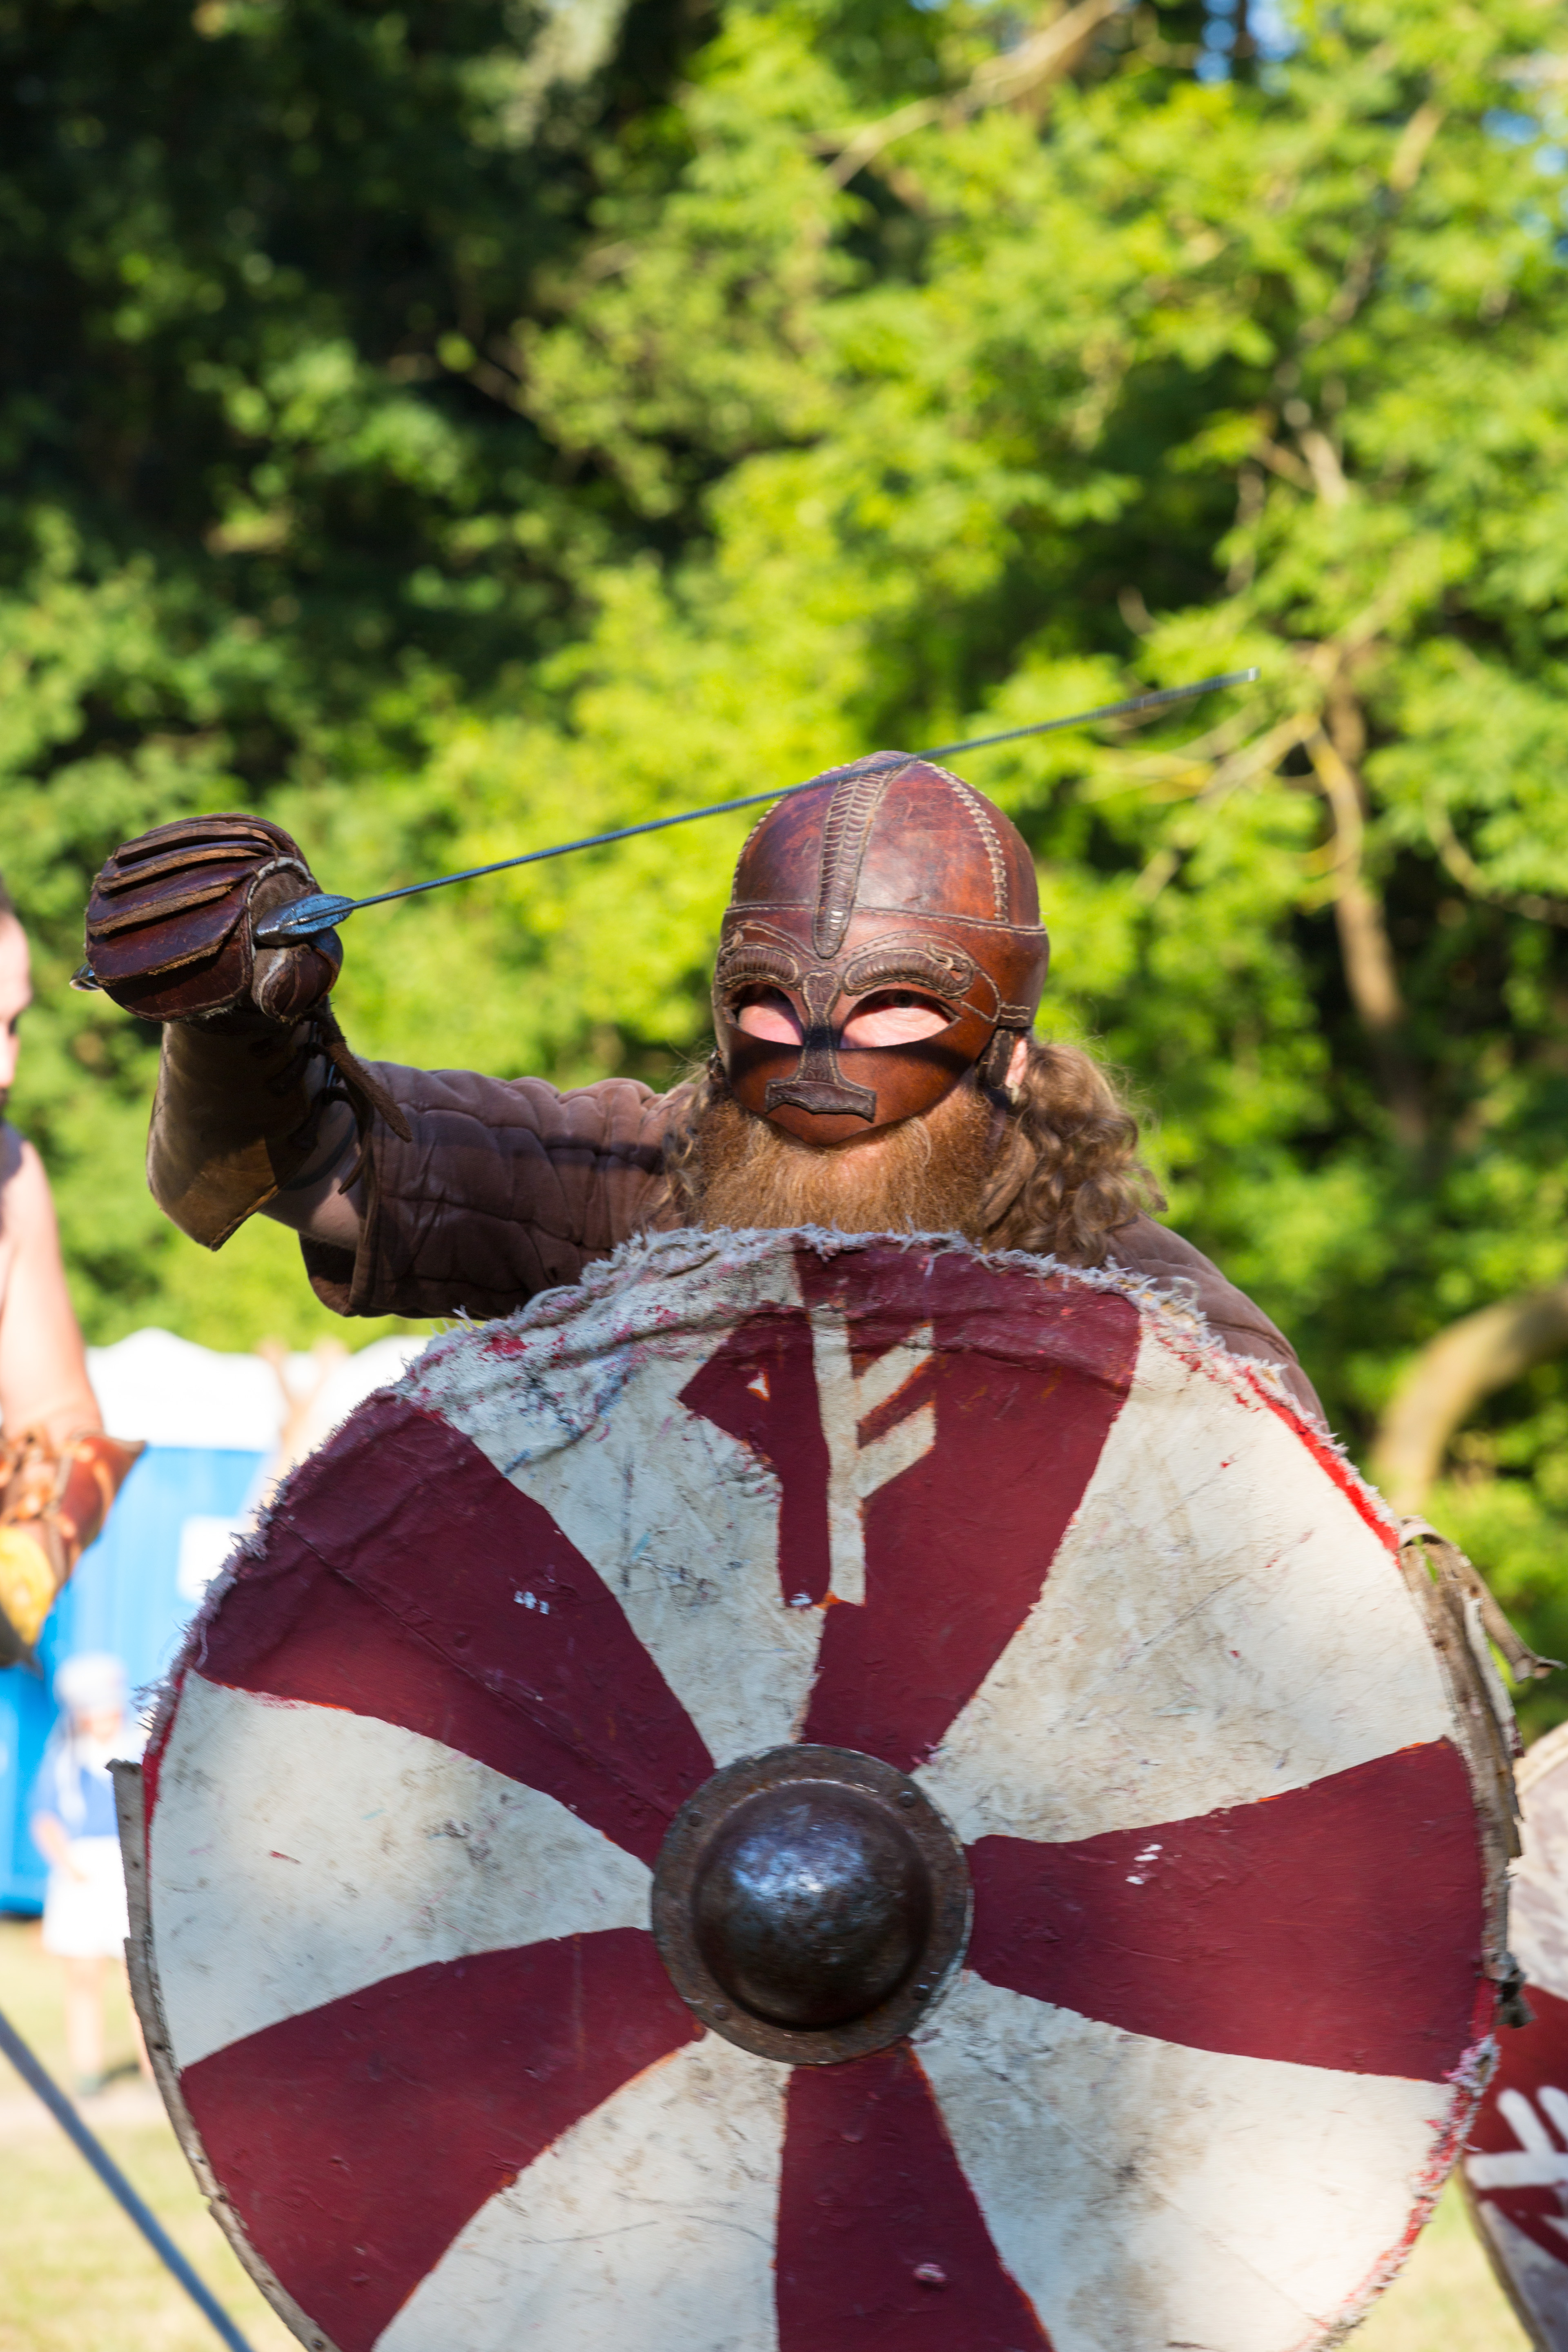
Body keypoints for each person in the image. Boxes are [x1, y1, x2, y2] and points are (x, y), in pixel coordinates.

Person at [78, 761, 1321, 1417]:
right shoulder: (640, 1185)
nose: (821, 1051)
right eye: (773, 999)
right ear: (723, 1016)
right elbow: (319, 1168)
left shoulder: (1158, 1329)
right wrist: (235, 1007)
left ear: (1005, 1051)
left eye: (895, 1002)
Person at [0, 884, 141, 1660]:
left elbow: (62, 1429)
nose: (5, 1067)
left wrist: (24, 1564)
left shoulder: (8, 1172)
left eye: (13, 1023)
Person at [27, 1650, 149, 2098]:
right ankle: (88, 2071)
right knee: (82, 1974)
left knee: (138, 1977)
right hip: (78, 1872)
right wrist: (68, 1864)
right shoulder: (64, 1759)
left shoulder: (138, 1749)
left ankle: (153, 2071)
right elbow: (44, 1818)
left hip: (127, 1868)